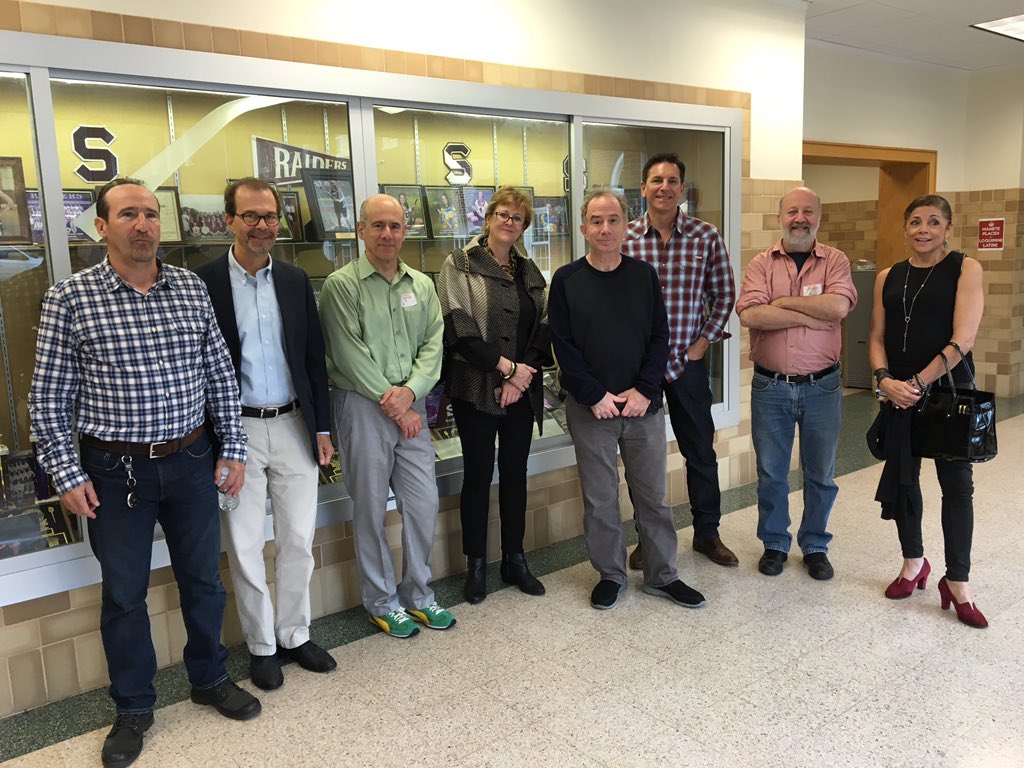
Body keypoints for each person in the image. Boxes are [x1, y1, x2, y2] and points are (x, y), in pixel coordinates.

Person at [29, 178, 260, 768]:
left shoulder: (189, 289)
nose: (143, 224)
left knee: (204, 583)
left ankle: (208, 678)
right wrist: (65, 472)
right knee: (125, 597)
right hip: (112, 471)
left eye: (152, 214)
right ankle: (132, 707)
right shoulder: (70, 298)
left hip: (190, 462)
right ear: (102, 227)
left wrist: (231, 447)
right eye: (128, 214)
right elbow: (48, 399)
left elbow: (218, 374)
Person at [195, 178, 337, 692]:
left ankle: (295, 633)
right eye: (251, 216)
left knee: (300, 537)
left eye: (271, 217)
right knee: (247, 542)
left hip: (296, 425)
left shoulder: (296, 280)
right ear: (229, 220)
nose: (262, 226)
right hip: (237, 434)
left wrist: (322, 427)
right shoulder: (203, 282)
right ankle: (261, 646)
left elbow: (312, 359)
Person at [548, 189, 706, 611]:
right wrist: (594, 394)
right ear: (583, 228)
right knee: (600, 500)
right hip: (591, 410)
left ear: (625, 226)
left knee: (653, 497)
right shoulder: (566, 280)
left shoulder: (643, 275)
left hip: (643, 409)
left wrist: (645, 390)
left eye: (613, 219)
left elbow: (660, 337)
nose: (605, 228)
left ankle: (662, 575)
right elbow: (562, 344)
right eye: (596, 221)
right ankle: (611, 575)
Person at [318, 193, 456, 637]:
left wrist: (411, 393)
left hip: (411, 407)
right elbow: (348, 354)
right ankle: (381, 600)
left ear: (405, 231)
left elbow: (434, 346)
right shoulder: (341, 286)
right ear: (360, 230)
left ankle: (419, 594)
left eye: (395, 226)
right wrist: (395, 403)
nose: (387, 234)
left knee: (422, 504)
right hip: (362, 406)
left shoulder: (422, 284)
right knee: (371, 508)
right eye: (377, 225)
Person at [867, 194, 987, 628]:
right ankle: (913, 562)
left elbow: (963, 339)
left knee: (957, 485)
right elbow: (876, 334)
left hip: (948, 391)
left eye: (933, 222)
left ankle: (958, 583)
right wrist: (884, 380)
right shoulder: (888, 276)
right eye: (915, 221)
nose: (923, 229)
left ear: (948, 229)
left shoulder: (965, 268)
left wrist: (919, 382)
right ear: (904, 228)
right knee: (905, 479)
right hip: (899, 393)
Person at [437, 186, 552, 604]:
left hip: (521, 390)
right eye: (503, 214)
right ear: (488, 218)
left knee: (516, 474)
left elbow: (544, 326)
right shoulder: (460, 264)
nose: (509, 222)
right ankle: (476, 565)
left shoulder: (530, 271)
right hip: (475, 388)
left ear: (524, 227)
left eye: (518, 218)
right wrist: (506, 369)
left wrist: (520, 379)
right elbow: (459, 329)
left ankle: (514, 559)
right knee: (478, 475)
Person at [623, 152, 738, 570]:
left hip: (687, 363)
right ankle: (647, 539)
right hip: (641, 369)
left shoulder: (705, 236)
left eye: (673, 180)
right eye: (657, 180)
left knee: (699, 451)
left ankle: (707, 533)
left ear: (682, 189)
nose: (665, 187)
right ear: (643, 188)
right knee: (640, 458)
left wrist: (704, 342)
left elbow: (726, 293)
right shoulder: (626, 238)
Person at [736, 187, 857, 580]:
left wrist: (782, 303)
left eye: (808, 211)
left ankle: (816, 545)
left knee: (820, 472)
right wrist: (808, 313)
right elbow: (752, 316)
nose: (799, 218)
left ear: (819, 217)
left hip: (822, 387)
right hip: (770, 387)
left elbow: (838, 306)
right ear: (780, 218)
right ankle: (774, 543)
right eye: (792, 211)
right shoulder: (760, 263)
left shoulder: (835, 261)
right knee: (772, 472)